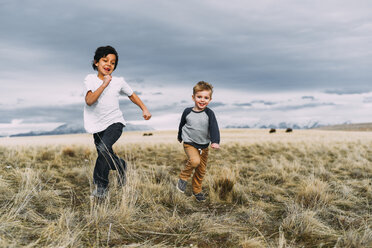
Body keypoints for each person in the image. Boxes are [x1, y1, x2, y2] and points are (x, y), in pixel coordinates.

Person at [84, 45, 151, 198]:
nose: (108, 64)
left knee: (103, 150)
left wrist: (144, 108)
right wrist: (104, 84)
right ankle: (121, 165)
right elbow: (89, 100)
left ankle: (101, 187)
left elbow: (132, 95)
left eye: (112, 63)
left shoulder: (119, 81)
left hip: (115, 122)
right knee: (105, 154)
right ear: (96, 62)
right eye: (105, 60)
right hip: (97, 125)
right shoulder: (90, 79)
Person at [176, 81, 220, 202]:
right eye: (199, 97)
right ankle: (183, 178)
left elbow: (214, 127)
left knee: (201, 170)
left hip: (204, 146)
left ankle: (197, 190)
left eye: (206, 98)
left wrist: (215, 141)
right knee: (195, 161)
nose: (202, 100)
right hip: (189, 143)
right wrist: (180, 136)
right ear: (193, 97)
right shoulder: (187, 112)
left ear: (210, 100)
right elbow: (182, 125)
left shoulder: (209, 113)